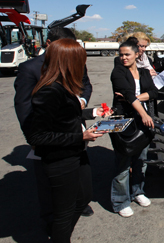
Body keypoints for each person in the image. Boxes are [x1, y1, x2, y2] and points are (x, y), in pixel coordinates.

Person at [13, 28, 95, 232]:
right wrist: (35, 139)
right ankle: (53, 219)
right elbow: (24, 107)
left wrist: (82, 104)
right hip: (51, 139)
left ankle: (70, 211)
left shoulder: (73, 64)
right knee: (51, 191)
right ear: (53, 46)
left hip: (72, 136)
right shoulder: (31, 70)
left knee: (78, 191)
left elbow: (84, 85)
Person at [24, 39, 105, 243]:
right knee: (64, 213)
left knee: (83, 198)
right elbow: (38, 136)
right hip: (60, 160)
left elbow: (64, 116)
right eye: (81, 61)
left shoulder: (64, 87)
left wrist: (91, 112)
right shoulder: (49, 91)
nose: (83, 67)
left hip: (76, 153)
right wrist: (81, 136)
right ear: (68, 62)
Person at [110, 38, 158, 217]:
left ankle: (138, 192)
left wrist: (136, 97)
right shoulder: (118, 72)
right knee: (123, 163)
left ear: (137, 54)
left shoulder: (145, 72)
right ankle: (120, 201)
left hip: (143, 122)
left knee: (141, 160)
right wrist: (143, 113)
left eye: (127, 54)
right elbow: (128, 94)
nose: (123, 58)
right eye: (121, 55)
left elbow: (154, 92)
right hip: (124, 120)